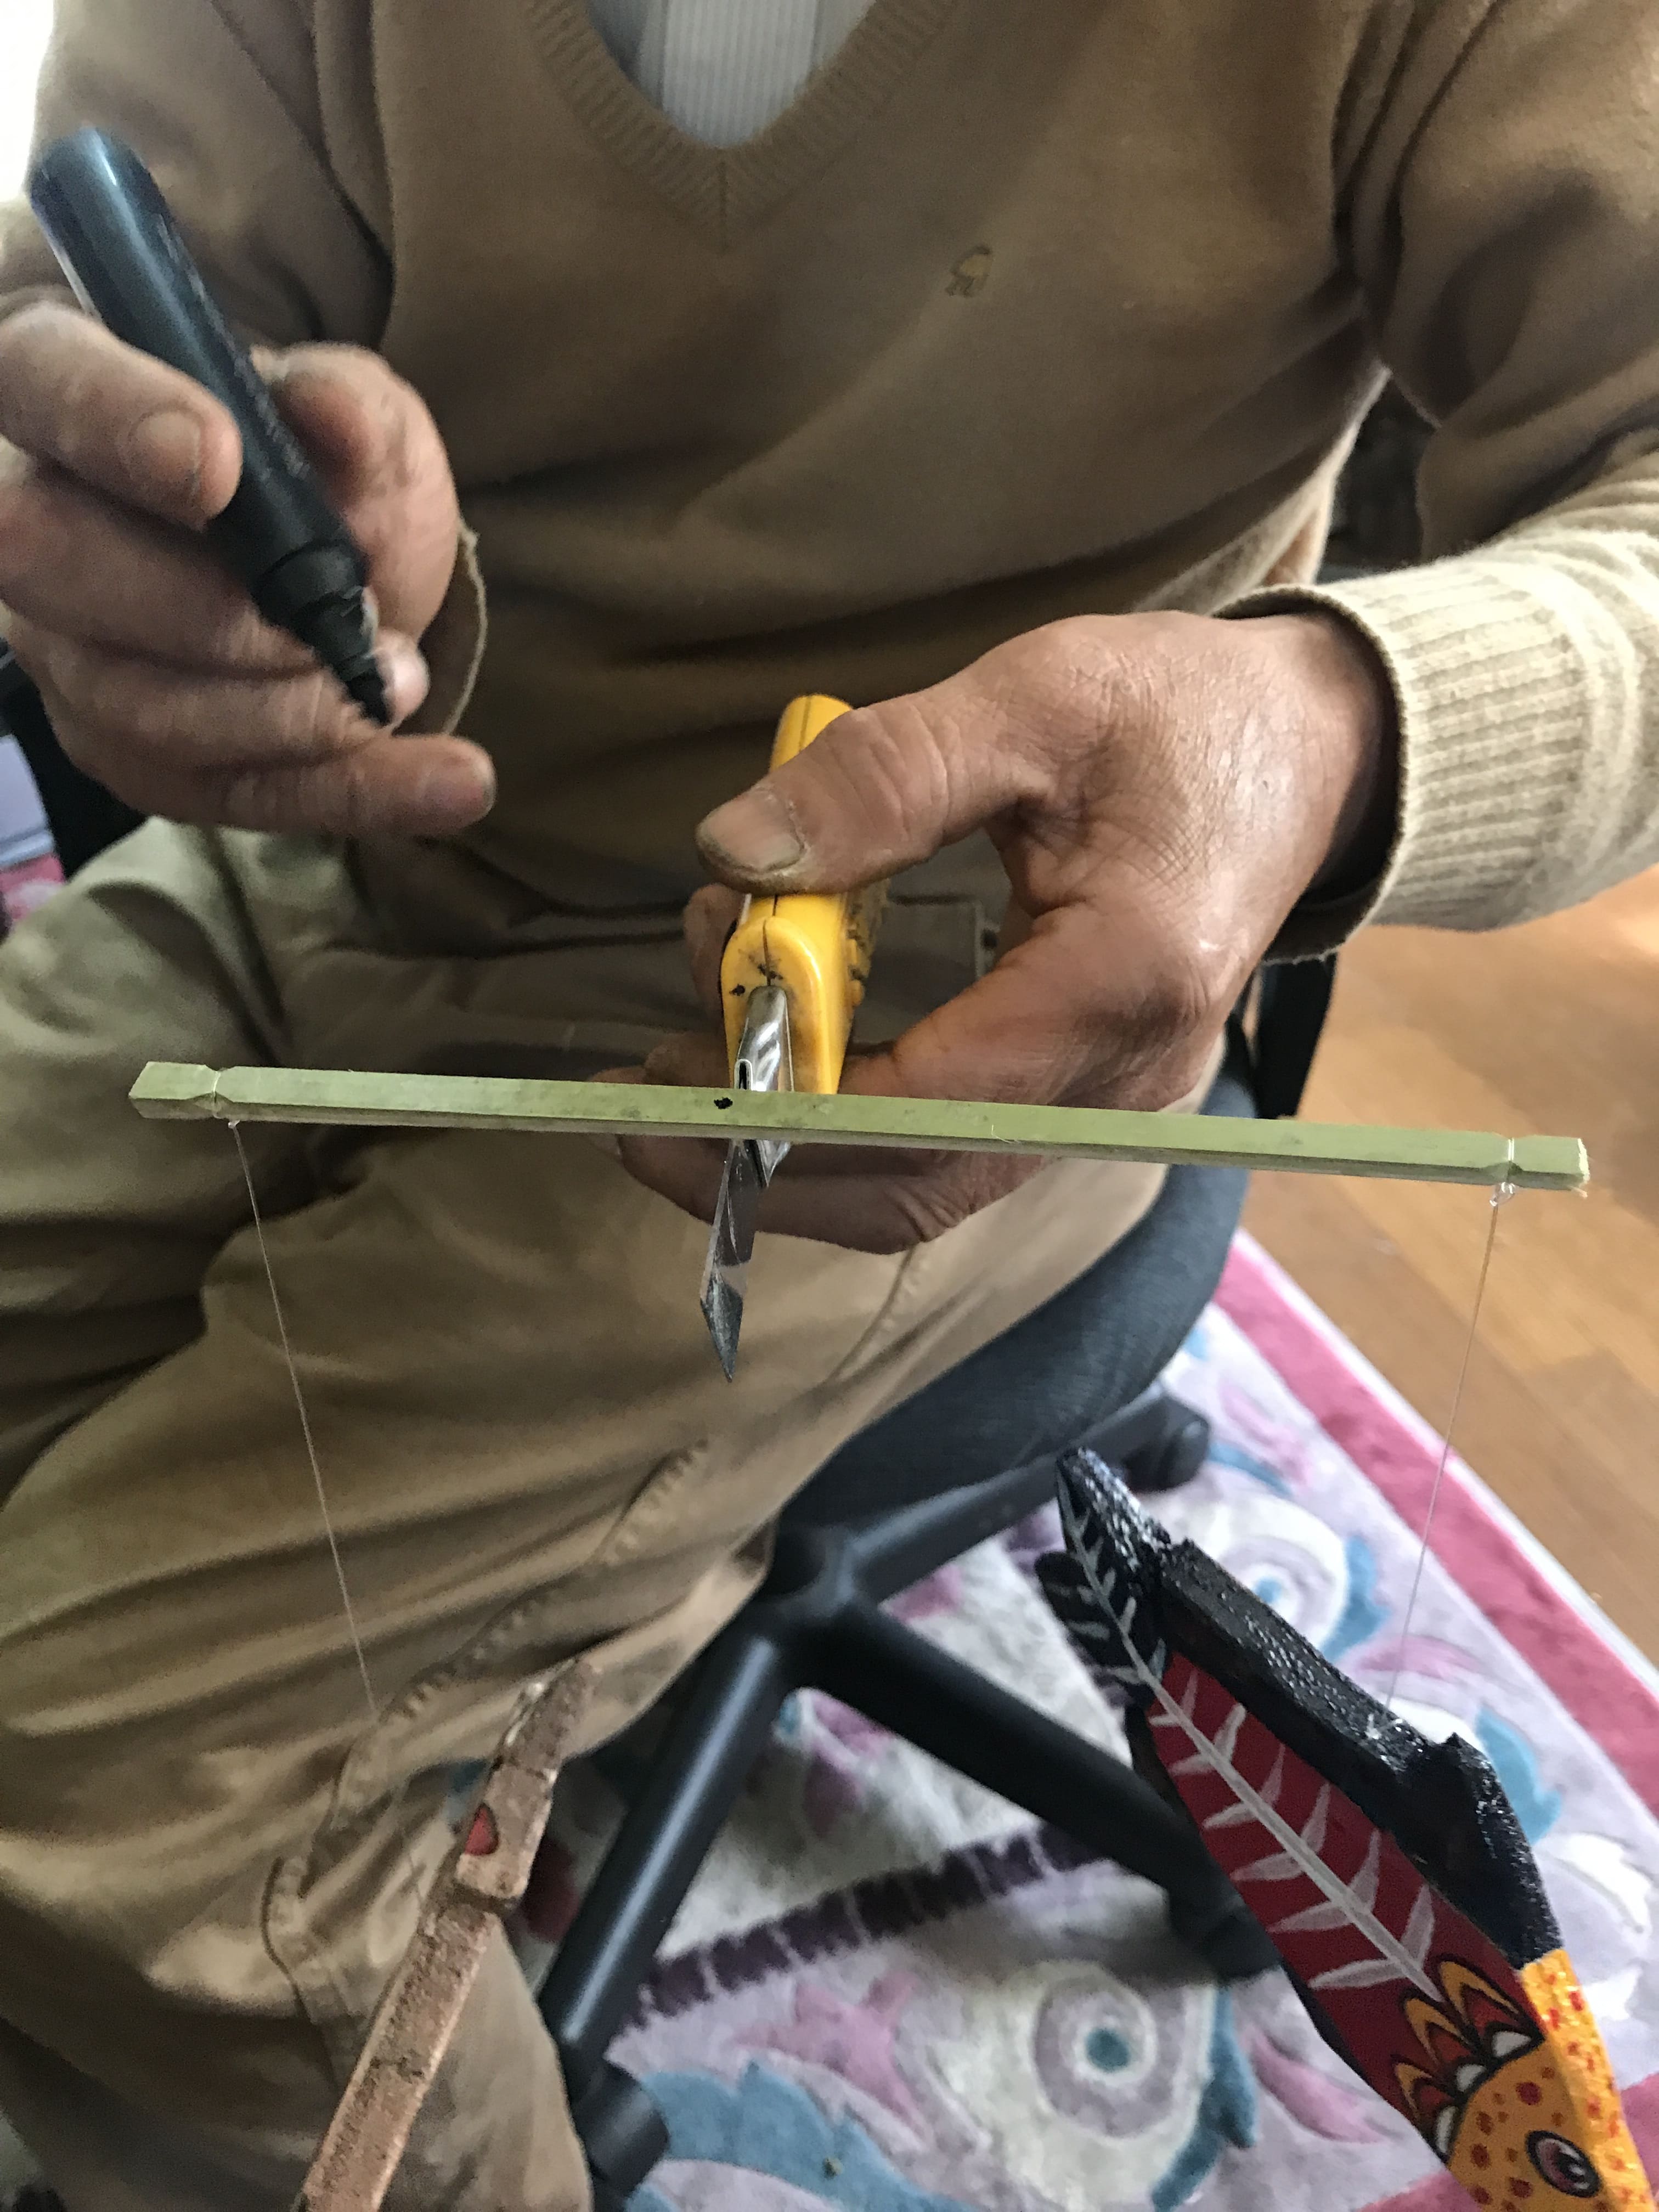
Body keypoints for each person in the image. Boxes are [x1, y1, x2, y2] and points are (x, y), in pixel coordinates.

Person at [0, 1, 1656, 2204]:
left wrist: (1340, 724)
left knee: (121, 1823)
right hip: (335, 852)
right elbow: (102, 289)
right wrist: (126, 504)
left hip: (928, 1037)